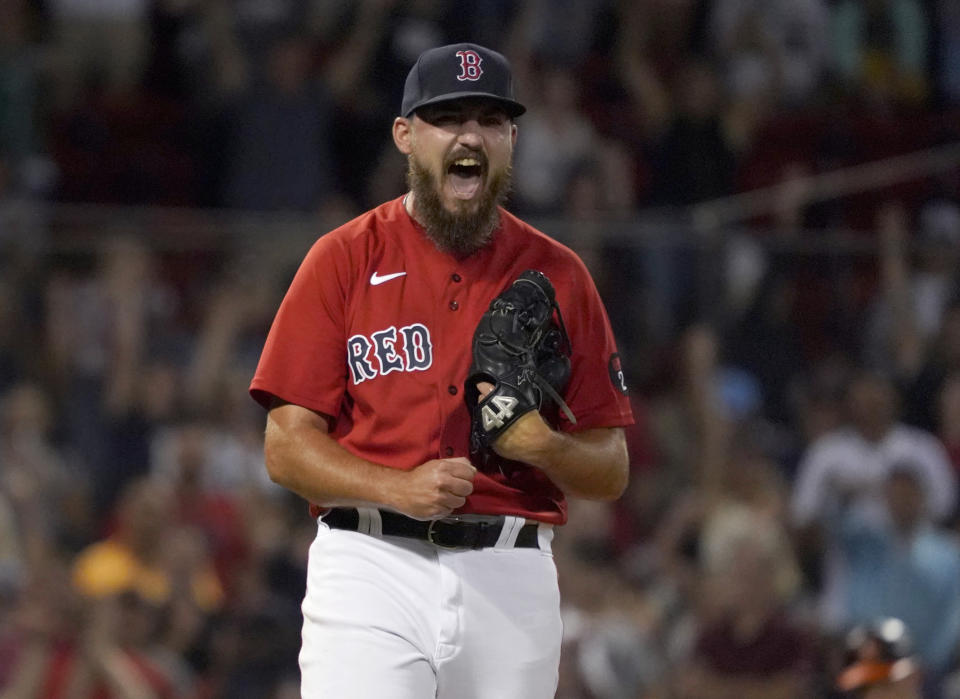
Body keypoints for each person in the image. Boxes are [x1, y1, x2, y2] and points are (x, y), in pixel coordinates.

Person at [249, 42, 633, 699]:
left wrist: (547, 446)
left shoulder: (560, 275)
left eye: (489, 120)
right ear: (404, 135)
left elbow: (612, 466)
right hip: (371, 561)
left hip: (510, 572)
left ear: (511, 140)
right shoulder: (341, 260)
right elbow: (286, 448)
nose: (470, 135)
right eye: (448, 117)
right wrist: (398, 487)